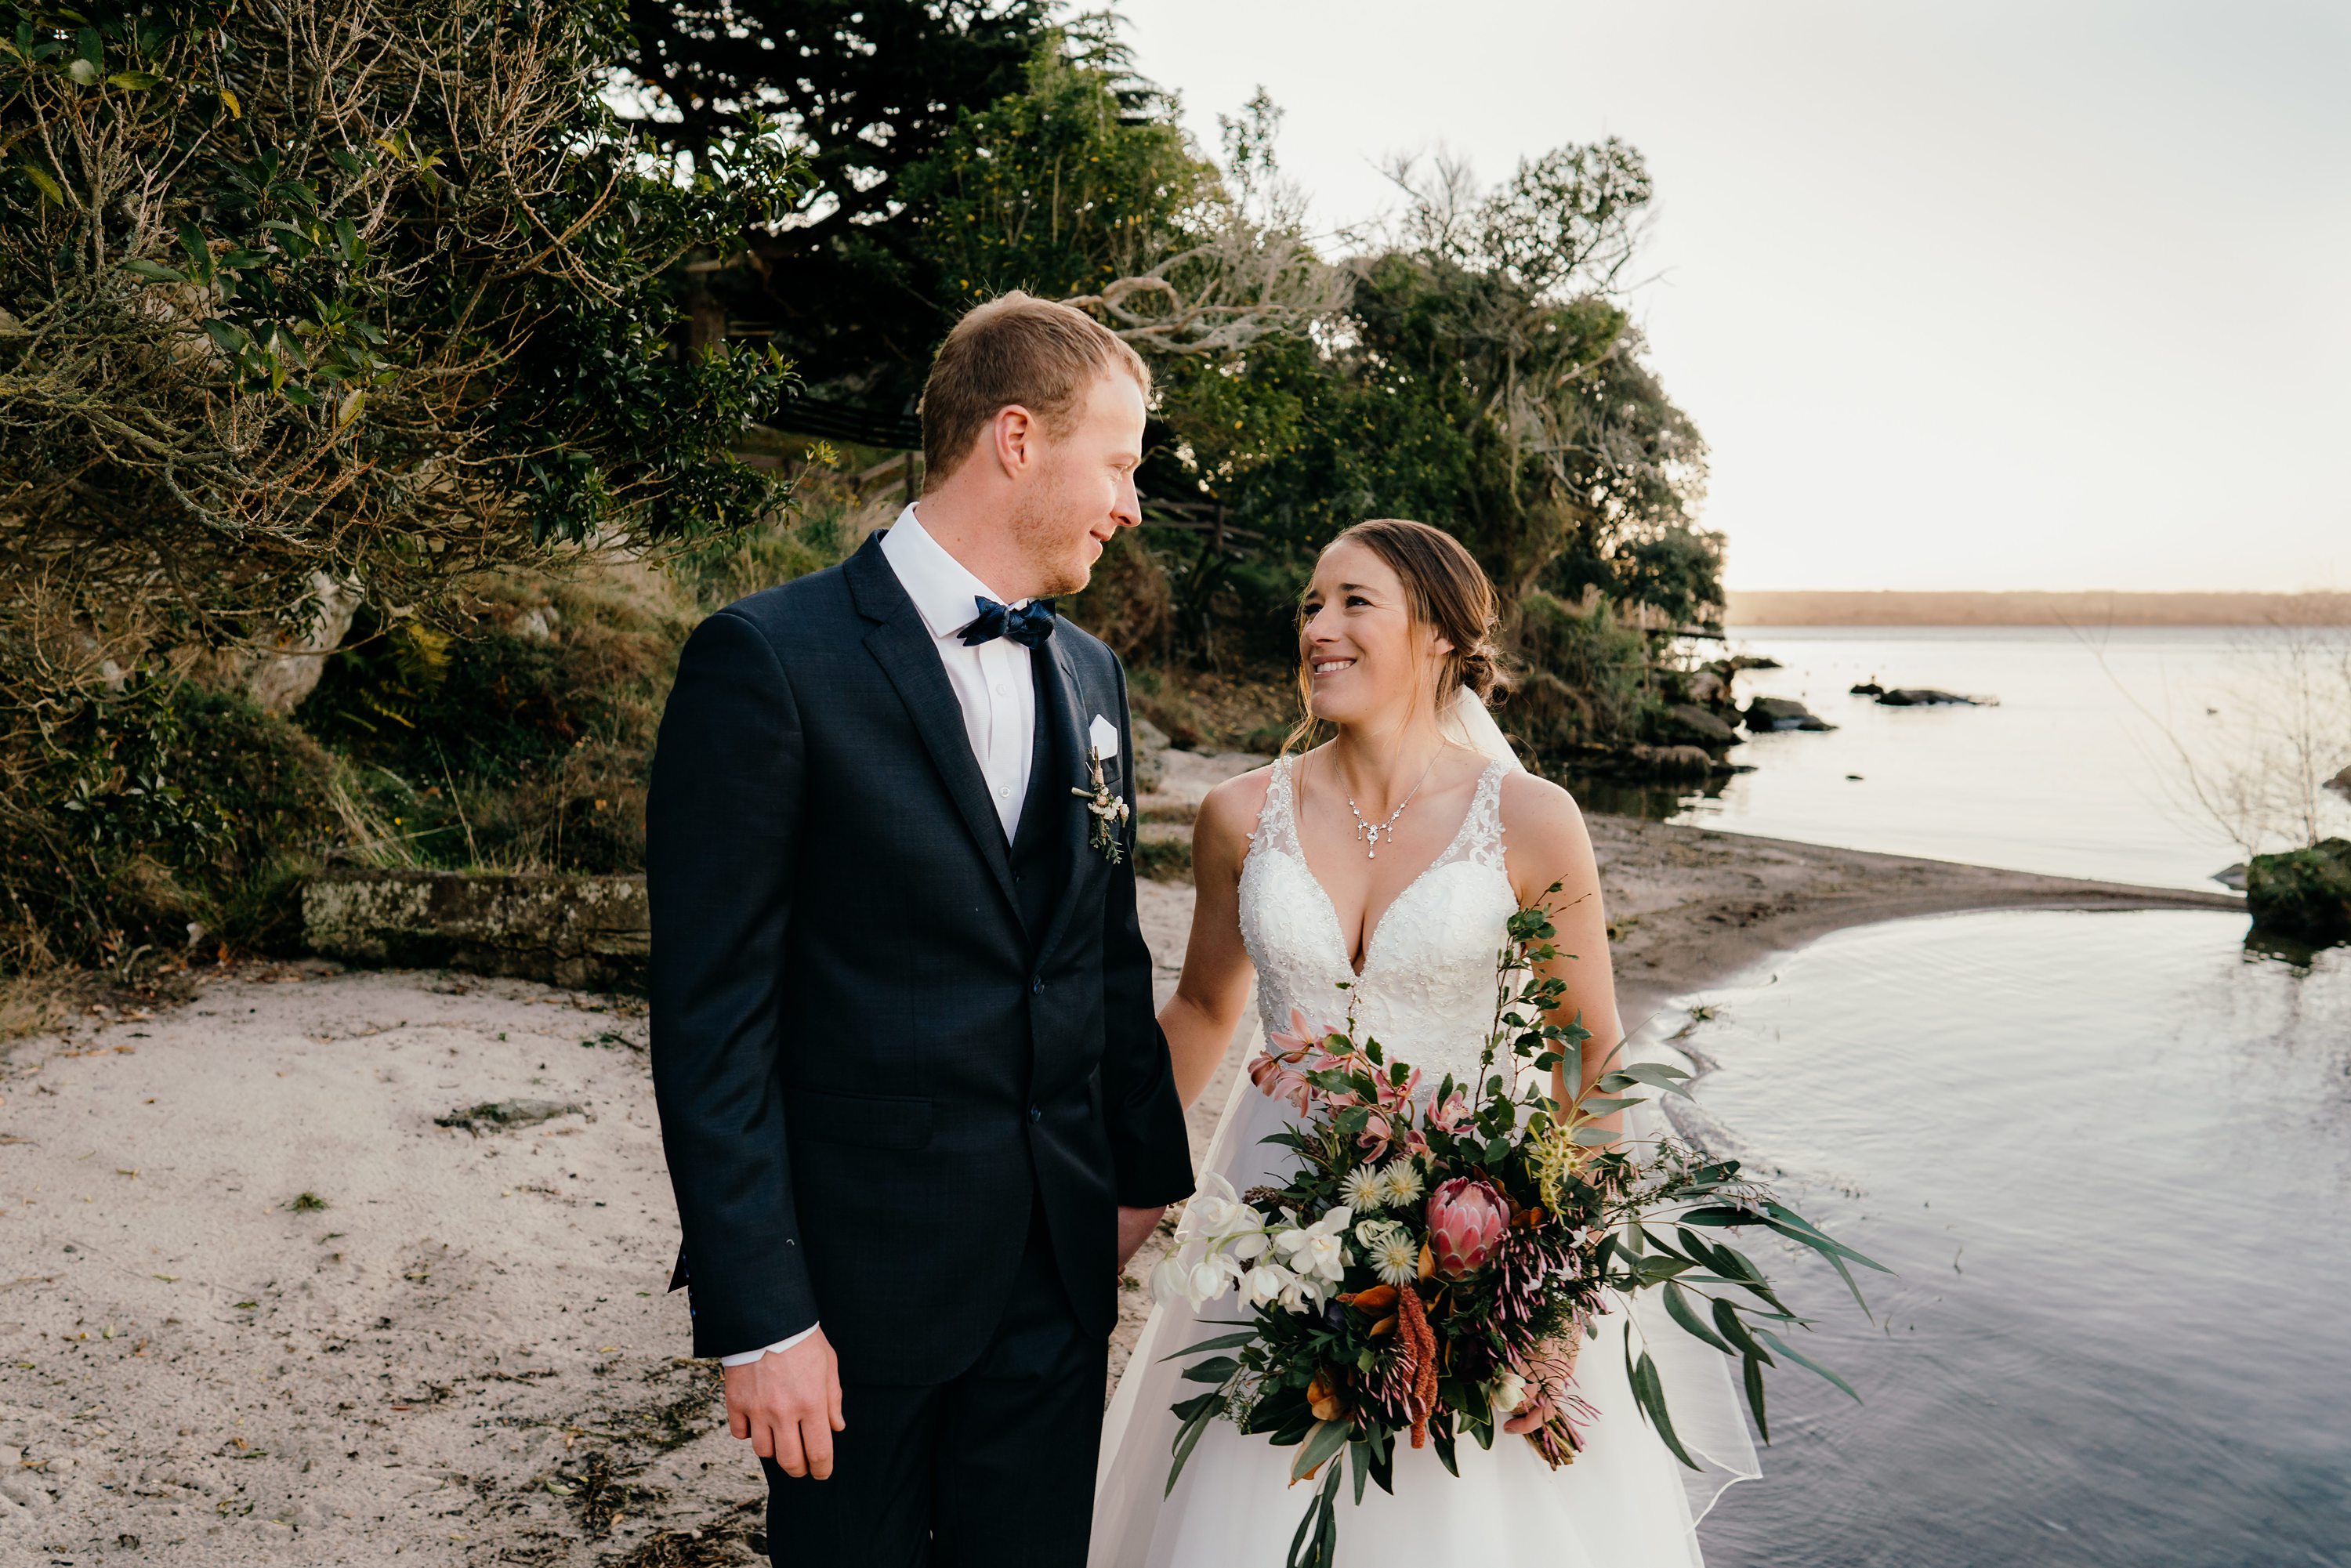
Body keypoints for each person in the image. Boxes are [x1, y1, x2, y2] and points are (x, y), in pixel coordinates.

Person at [647, 292, 1194, 1567]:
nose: (1129, 503)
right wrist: (763, 1317)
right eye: (1118, 464)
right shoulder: (766, 660)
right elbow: (711, 1018)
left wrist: (1140, 1182)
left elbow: (1105, 959)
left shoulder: (1091, 675)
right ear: (1016, 437)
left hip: (1054, 1287)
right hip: (857, 1299)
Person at [1089, 519, 1755, 1566]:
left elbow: (1591, 1056)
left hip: (1473, 1241)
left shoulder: (1533, 818)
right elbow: (1207, 1011)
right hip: (1274, 1242)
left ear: (1441, 634)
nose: (1320, 627)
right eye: (1312, 604)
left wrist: (1557, 1293)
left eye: (1356, 602)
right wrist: (1115, 1199)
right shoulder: (1237, 814)